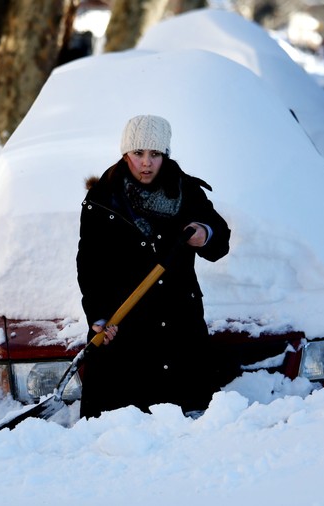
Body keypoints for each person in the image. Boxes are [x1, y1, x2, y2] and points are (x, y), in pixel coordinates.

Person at [76, 115, 231, 418]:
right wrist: (98, 316)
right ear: (125, 154)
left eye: (155, 153)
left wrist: (205, 234)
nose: (146, 162)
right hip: (126, 331)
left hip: (180, 327)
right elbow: (90, 266)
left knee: (192, 430)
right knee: (122, 430)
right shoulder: (103, 200)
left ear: (165, 154)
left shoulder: (186, 192)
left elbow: (220, 238)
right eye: (138, 153)